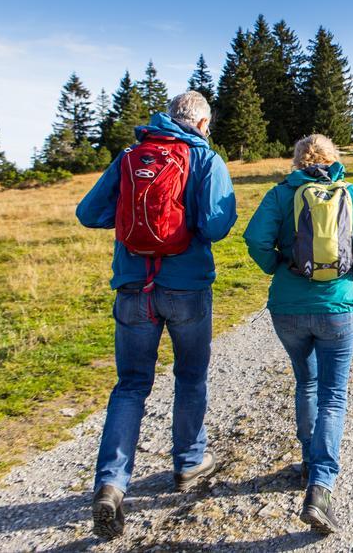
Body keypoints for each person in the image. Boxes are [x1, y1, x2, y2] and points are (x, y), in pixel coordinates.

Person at [76, 91, 237, 540]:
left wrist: (131, 219)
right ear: (203, 123)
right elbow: (216, 226)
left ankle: (110, 484)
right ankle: (188, 463)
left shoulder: (131, 155)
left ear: (170, 116)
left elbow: (88, 213)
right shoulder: (205, 158)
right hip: (186, 288)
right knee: (189, 376)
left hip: (132, 287)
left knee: (130, 386)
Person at [243, 134, 353, 533]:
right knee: (334, 394)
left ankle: (310, 463)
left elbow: (254, 239)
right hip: (338, 308)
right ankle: (321, 488)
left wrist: (275, 266)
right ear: (334, 160)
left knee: (306, 382)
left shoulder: (281, 194)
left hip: (288, 307)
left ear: (297, 161)